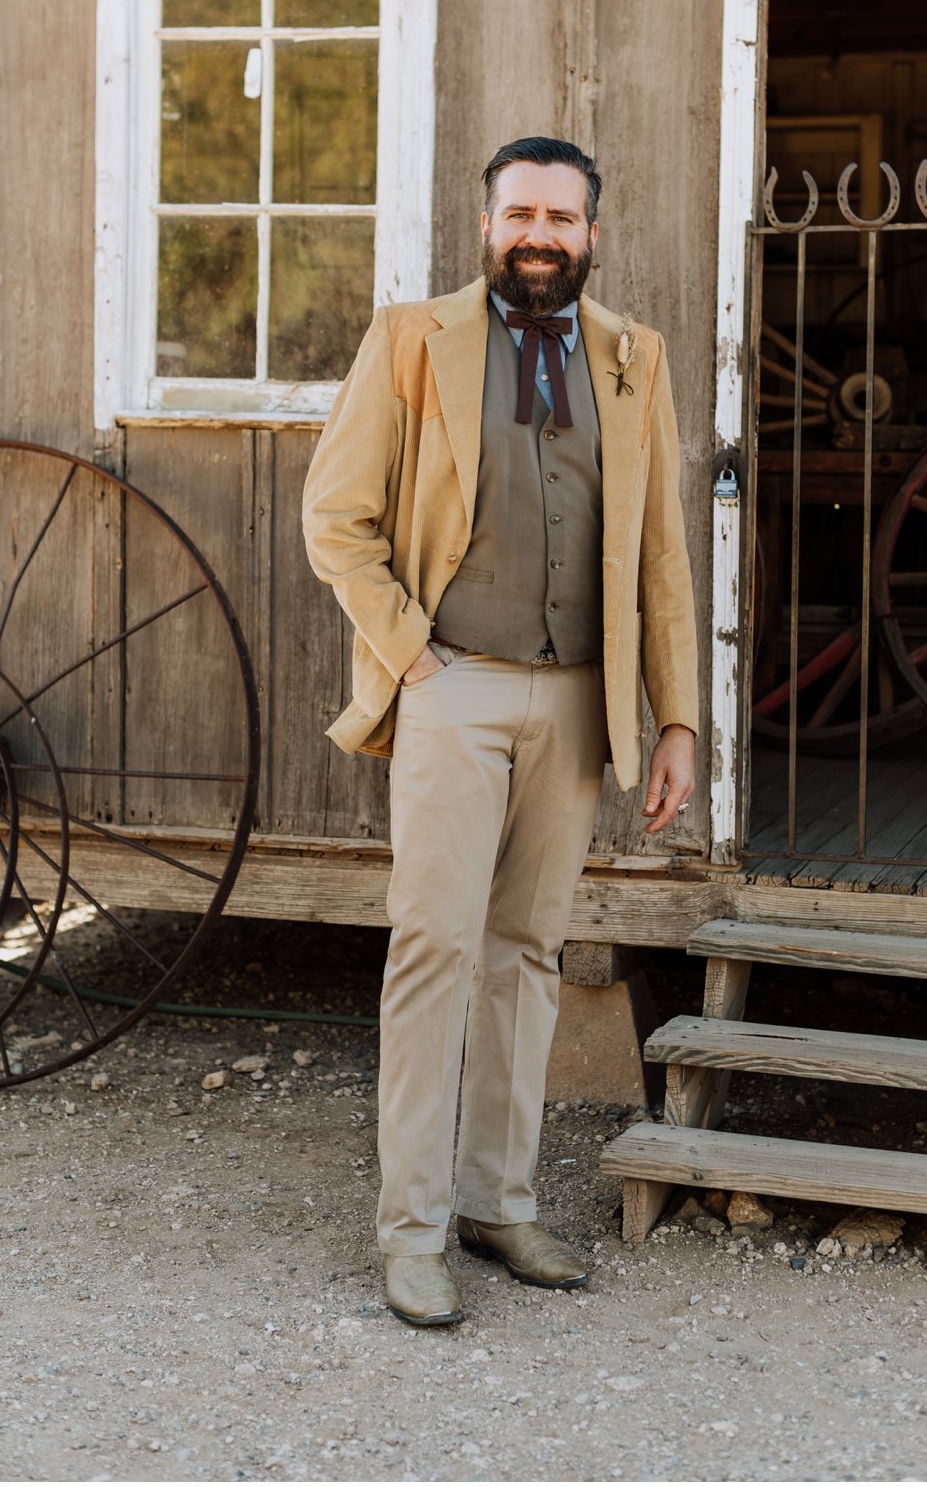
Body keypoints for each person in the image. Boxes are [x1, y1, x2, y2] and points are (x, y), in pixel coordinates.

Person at [302, 136, 700, 1325]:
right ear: (488, 225)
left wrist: (674, 713)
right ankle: (412, 1228)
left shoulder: (635, 355)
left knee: (528, 951)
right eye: (520, 211)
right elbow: (337, 516)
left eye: (561, 217)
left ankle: (498, 1200)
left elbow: (665, 556)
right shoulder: (413, 340)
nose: (540, 232)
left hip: (579, 693)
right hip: (455, 684)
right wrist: (408, 648)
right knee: (433, 947)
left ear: (591, 232)